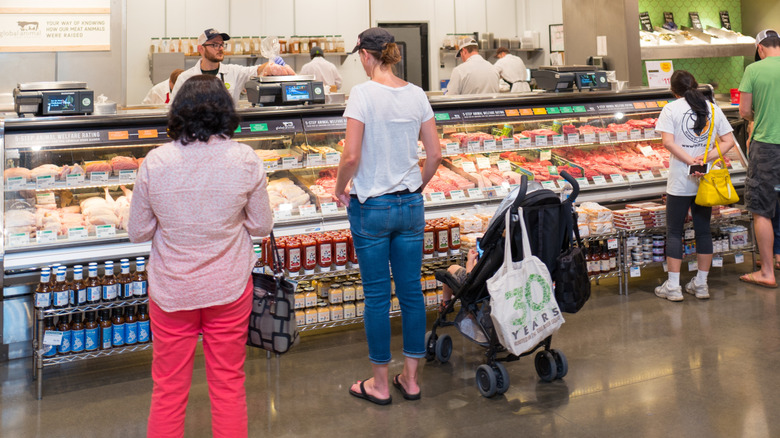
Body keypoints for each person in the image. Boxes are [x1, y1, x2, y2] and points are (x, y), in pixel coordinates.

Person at [128, 75, 273, 437]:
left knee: (168, 390)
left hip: (171, 291)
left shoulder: (156, 162)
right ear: (226, 111)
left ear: (177, 112)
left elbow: (138, 231)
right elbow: (260, 226)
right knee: (228, 385)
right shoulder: (245, 159)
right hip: (228, 288)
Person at [333, 27, 442, 405]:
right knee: (412, 294)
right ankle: (410, 381)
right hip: (410, 205)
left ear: (365, 55)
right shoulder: (416, 94)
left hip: (372, 208)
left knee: (378, 297)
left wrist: (339, 188)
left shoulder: (362, 94)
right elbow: (435, 154)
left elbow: (350, 156)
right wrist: (415, 188)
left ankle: (380, 385)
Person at [654, 70, 736, 301]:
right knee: (703, 232)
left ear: (673, 90)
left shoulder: (671, 109)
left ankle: (673, 287)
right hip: (705, 180)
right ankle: (701, 285)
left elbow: (667, 142)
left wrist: (689, 160)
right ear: (696, 86)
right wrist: (705, 158)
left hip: (680, 180)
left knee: (674, 232)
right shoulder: (712, 107)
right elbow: (728, 140)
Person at [738, 29, 780, 288]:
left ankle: (766, 271)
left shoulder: (754, 70)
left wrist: (757, 117)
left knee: (762, 209)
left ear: (760, 48)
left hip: (767, 147)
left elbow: (743, 110)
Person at [171, 28, 294, 104]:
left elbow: (256, 70)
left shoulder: (233, 72)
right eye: (215, 45)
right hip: (197, 136)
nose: (220, 48)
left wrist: (272, 62)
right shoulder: (185, 78)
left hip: (227, 134)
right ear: (200, 49)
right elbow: (173, 109)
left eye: (221, 44)